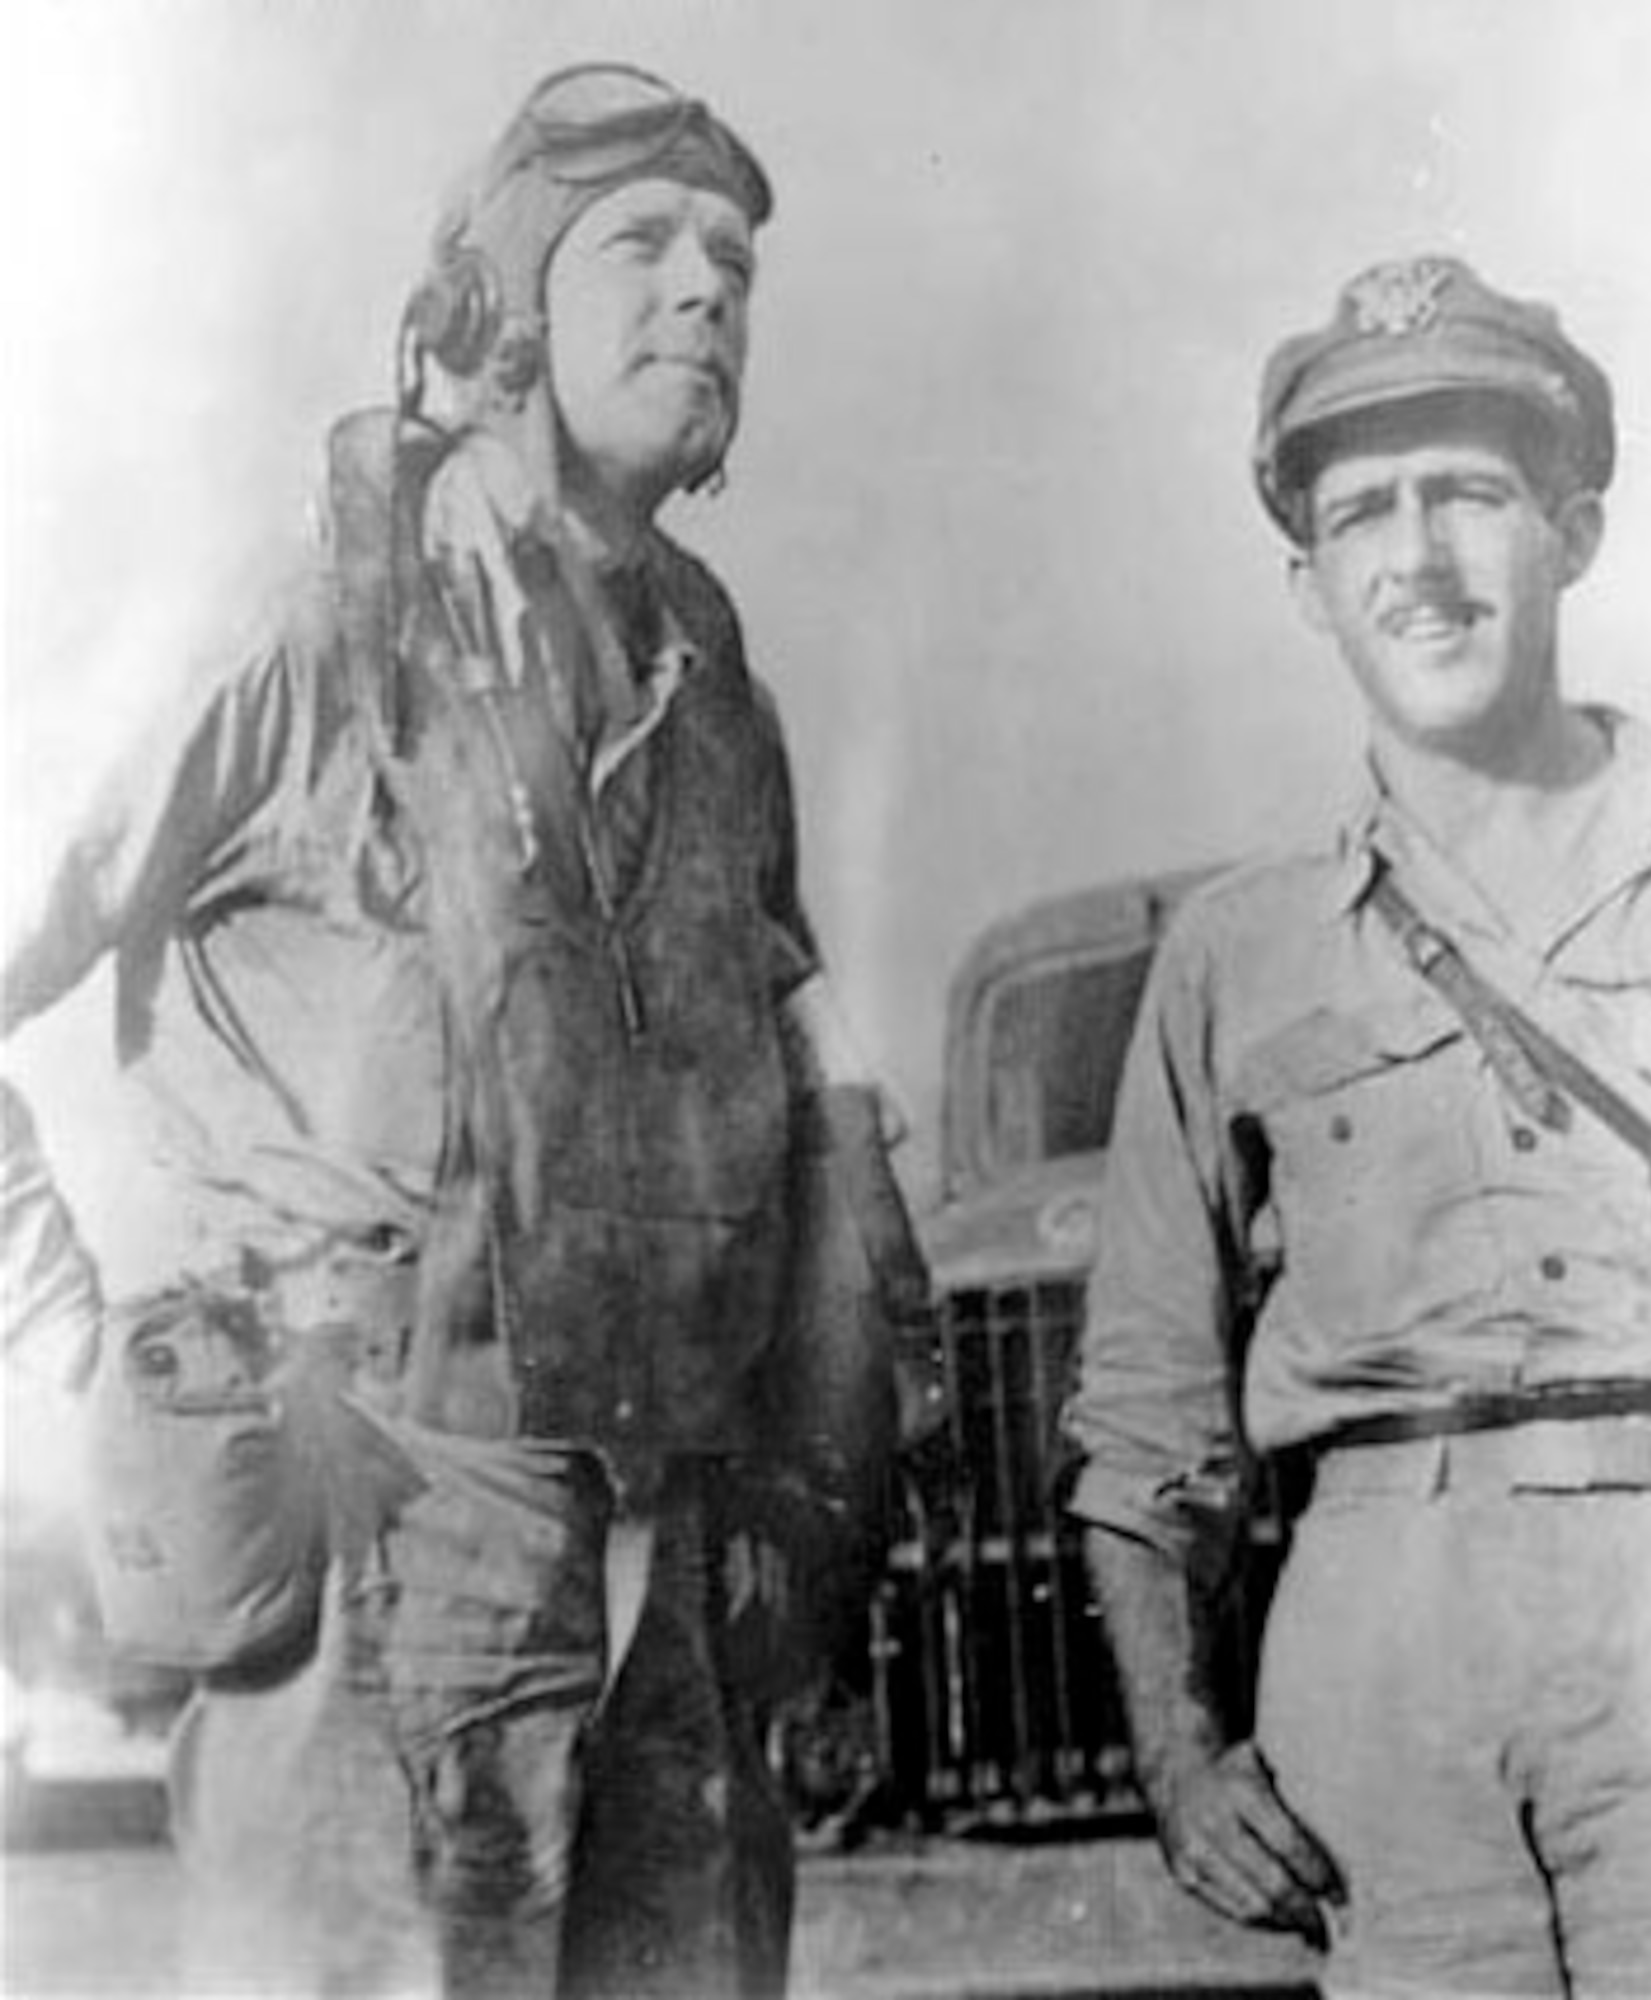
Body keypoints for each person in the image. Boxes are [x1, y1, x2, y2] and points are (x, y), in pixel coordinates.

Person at [1, 62, 925, 2000]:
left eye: (735, 263)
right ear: (496, 308)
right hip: (371, 1551)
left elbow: (788, 1080)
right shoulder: (299, 620)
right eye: (645, 248)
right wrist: (74, 1364)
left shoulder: (713, 680)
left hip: (669, 1567)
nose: (707, 294)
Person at [1062, 254, 1651, 1998]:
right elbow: (1146, 1417)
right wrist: (1175, 1752)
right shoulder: (1238, 957)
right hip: (1379, 1651)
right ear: (1308, 583)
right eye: (1364, 514)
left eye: (1468, 493)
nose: (1422, 560)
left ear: (1574, 532)